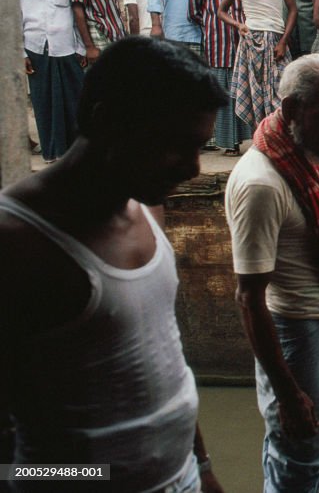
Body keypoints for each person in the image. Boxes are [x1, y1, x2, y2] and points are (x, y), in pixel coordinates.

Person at [0, 37, 226, 493]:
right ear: (107, 121)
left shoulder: (146, 206)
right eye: (177, 146)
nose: (194, 169)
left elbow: (166, 358)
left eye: (200, 146)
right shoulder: (17, 245)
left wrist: (199, 466)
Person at [226, 55, 319, 493]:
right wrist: (287, 393)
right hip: (300, 334)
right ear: (289, 110)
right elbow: (248, 298)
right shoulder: (262, 183)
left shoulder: (295, 155)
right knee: (298, 458)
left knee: (309, 451)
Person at [18, 0, 85, 163]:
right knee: (44, 102)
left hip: (68, 46)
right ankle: (53, 155)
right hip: (35, 48)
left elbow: (76, 10)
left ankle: (77, 154)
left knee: (75, 99)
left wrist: (82, 46)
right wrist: (20, 54)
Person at [219, 0, 298, 130]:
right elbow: (221, 11)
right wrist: (238, 25)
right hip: (251, 41)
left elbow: (292, 10)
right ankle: (261, 139)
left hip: (277, 41)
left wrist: (283, 42)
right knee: (255, 96)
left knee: (282, 92)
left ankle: (280, 135)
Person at [188, 0, 249, 155]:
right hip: (217, 47)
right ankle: (228, 144)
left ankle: (244, 139)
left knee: (241, 93)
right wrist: (212, 26)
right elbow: (194, 13)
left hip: (242, 46)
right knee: (223, 96)